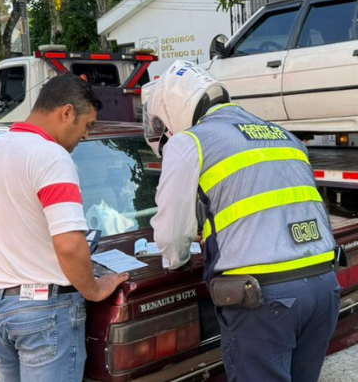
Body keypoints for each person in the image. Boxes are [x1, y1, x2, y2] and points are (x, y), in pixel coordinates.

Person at [144, 61, 341, 382]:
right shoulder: (282, 134)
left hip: (264, 300)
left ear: (171, 111)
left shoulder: (190, 141)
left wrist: (176, 260)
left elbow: (171, 233)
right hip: (323, 287)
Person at [0, 73, 129, 382]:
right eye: (87, 125)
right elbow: (69, 243)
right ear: (67, 112)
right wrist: (95, 289)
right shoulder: (51, 156)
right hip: (43, 313)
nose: (85, 136)